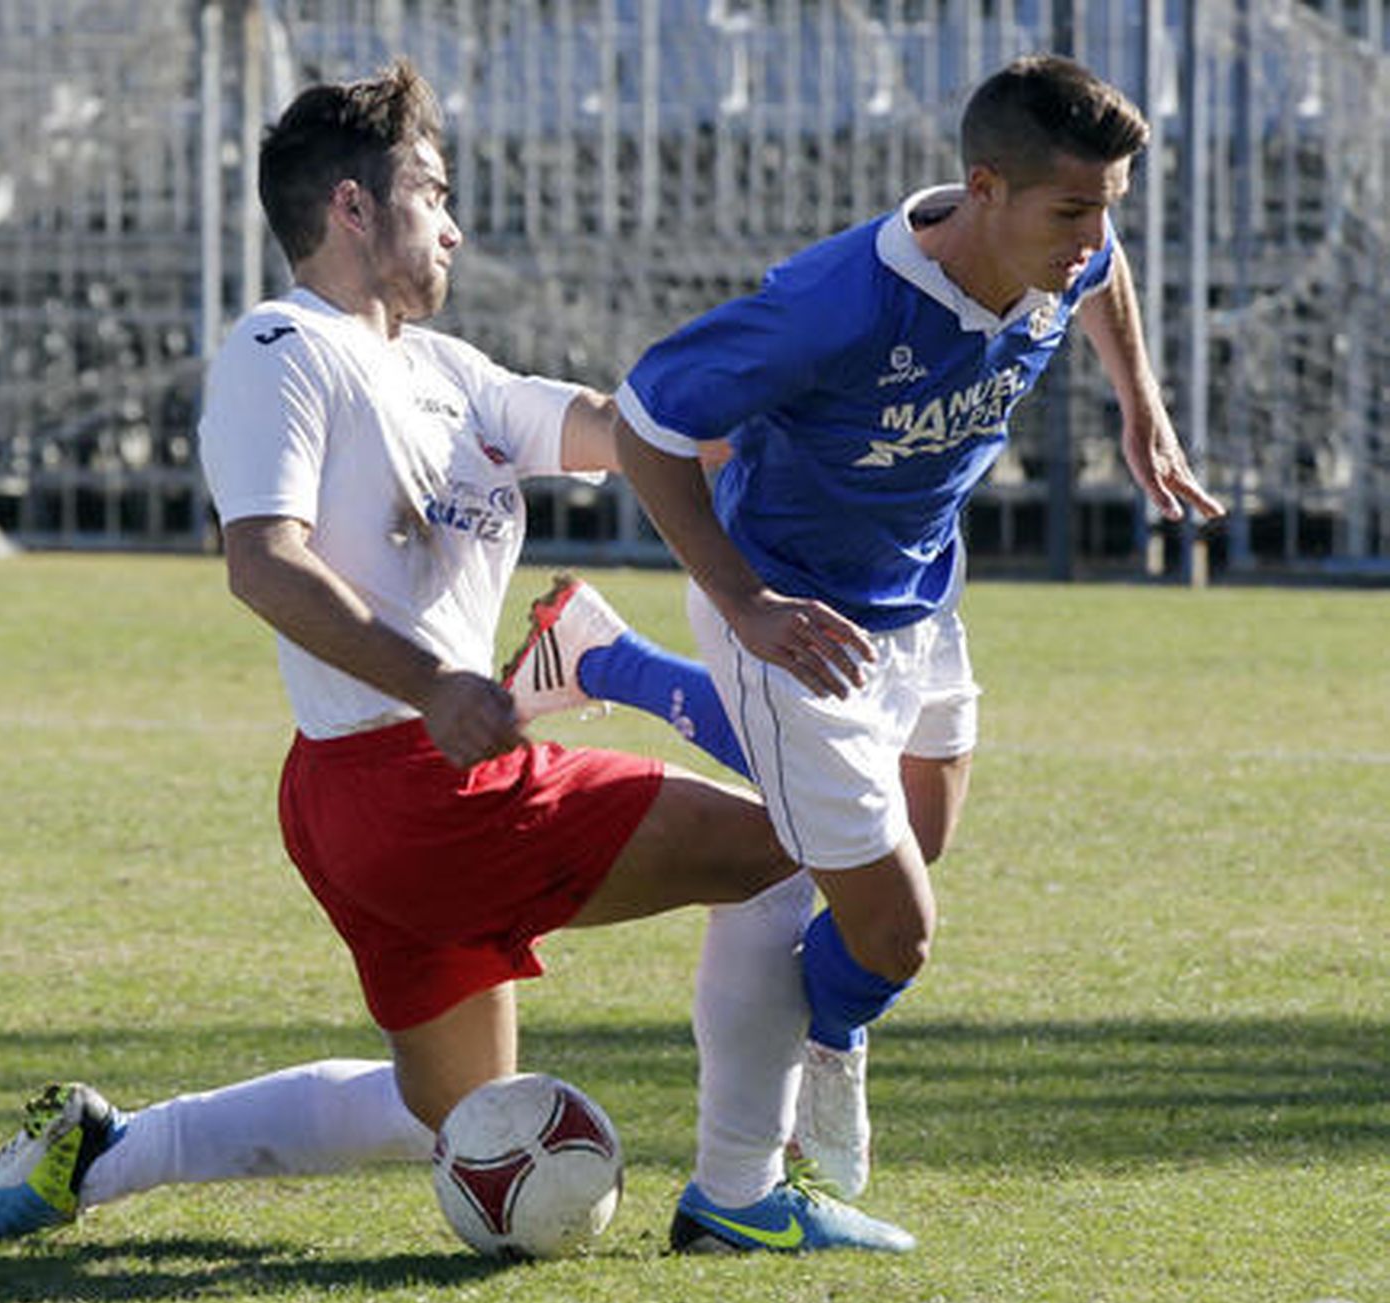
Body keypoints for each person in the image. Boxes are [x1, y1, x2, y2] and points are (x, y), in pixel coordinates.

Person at [0, 59, 911, 1257]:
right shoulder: (284, 348)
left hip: (381, 796)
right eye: (430, 193)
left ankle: (106, 1151)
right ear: (351, 206)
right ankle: (742, 1195)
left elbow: (623, 432)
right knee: (798, 850)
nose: (451, 225)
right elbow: (262, 560)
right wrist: (434, 682)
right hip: (421, 783)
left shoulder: (451, 373)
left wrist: (790, 385)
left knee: (446, 1111)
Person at [511, 54, 1226, 1189]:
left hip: (920, 594)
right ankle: (817, 1061)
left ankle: (602, 656)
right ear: (982, 189)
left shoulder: (1059, 253)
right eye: (1072, 209)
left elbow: (1105, 275)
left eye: (1107, 207)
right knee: (893, 935)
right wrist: (743, 602)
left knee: (919, 833)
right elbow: (648, 418)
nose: (1091, 237)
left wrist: (1142, 410)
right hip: (798, 619)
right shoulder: (838, 304)